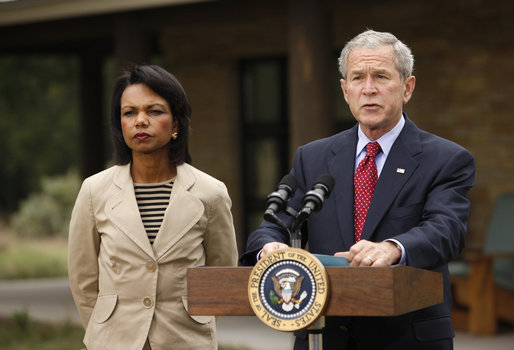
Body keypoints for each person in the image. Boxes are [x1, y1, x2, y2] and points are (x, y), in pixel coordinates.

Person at [240, 30, 475, 349]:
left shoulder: (446, 159)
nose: (368, 89)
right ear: (345, 89)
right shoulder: (313, 157)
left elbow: (446, 230)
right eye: (357, 78)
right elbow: (274, 225)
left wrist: (392, 248)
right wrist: (270, 248)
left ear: (407, 88)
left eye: (380, 76)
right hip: (324, 333)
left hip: (406, 337)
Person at [68, 64, 238, 350]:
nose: (140, 121)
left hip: (184, 339)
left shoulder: (210, 192)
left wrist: (197, 326)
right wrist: (102, 332)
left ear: (175, 125)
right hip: (114, 340)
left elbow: (222, 274)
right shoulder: (94, 191)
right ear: (119, 123)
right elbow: (83, 277)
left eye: (154, 111)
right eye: (129, 112)